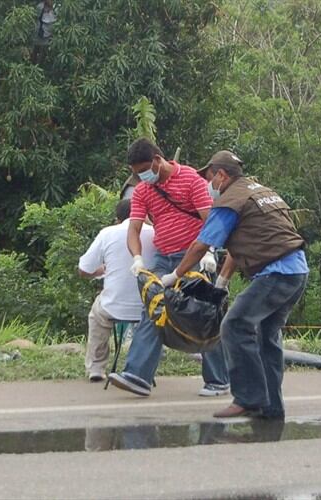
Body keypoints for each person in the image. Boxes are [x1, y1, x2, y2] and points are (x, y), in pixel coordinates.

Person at [163, 150, 308, 419]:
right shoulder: (260, 192)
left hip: (276, 273)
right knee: (266, 335)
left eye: (209, 178)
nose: (208, 186)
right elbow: (236, 246)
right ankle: (271, 406)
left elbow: (200, 246)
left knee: (234, 324)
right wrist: (222, 281)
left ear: (221, 175)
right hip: (297, 271)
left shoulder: (231, 200)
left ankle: (248, 398)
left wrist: (175, 275)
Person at [108, 138, 229, 397]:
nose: (141, 177)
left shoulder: (190, 180)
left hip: (195, 255)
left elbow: (211, 221)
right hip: (165, 258)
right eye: (136, 174)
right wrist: (137, 258)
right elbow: (134, 228)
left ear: (157, 160)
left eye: (143, 171)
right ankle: (138, 375)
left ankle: (218, 380)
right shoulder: (142, 190)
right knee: (153, 306)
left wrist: (209, 251)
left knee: (205, 314)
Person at [77, 199, 155, 382]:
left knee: (97, 315)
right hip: (149, 308)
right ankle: (142, 368)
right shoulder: (156, 233)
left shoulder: (108, 233)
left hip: (114, 306)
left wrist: (104, 270)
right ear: (145, 215)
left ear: (117, 219)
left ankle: (96, 368)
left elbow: (84, 270)